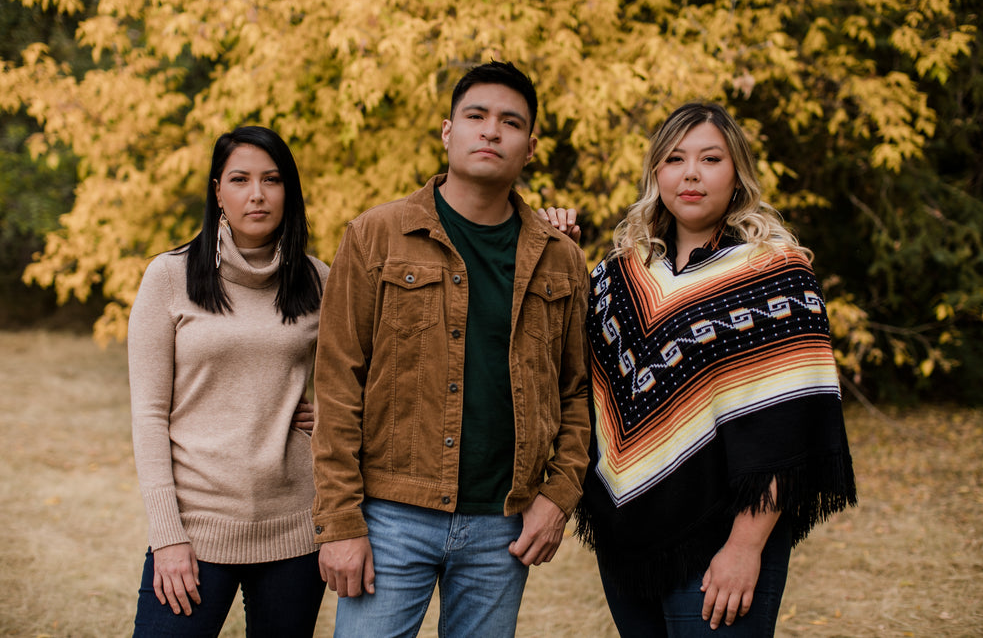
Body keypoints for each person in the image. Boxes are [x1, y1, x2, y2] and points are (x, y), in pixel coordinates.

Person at [543, 102, 857, 636]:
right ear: (656, 175)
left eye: (710, 158)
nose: (690, 173)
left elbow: (789, 423)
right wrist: (554, 255)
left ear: (736, 175)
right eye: (674, 159)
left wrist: (744, 546)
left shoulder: (775, 275)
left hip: (724, 536)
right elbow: (559, 364)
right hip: (628, 542)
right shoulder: (619, 274)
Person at [310, 60, 591, 637]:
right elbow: (338, 385)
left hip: (503, 527)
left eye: (510, 123)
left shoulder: (561, 258)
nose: (491, 131)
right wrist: (339, 522)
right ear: (447, 132)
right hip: (391, 516)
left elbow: (576, 393)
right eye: (476, 116)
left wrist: (557, 498)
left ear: (530, 147)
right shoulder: (375, 235)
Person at [128, 126, 330, 636]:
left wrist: (330, 415)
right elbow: (149, 416)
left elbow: (375, 376)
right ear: (218, 191)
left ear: (290, 191)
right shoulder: (169, 277)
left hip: (296, 533)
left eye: (272, 180)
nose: (257, 194)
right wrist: (168, 536)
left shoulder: (319, 280)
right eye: (240, 179)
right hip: (196, 531)